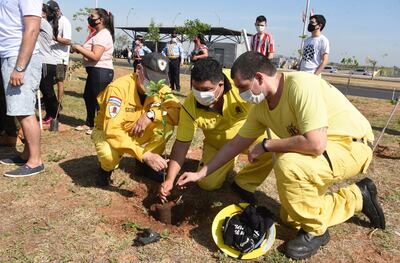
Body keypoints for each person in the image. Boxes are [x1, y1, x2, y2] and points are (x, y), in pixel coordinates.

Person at [177, 52, 385, 260]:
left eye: (242, 87)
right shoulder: (261, 107)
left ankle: (316, 231)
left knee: (287, 164)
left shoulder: (300, 85)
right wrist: (201, 173)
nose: (240, 94)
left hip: (350, 144)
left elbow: (316, 144)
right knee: (292, 217)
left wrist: (268, 145)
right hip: (324, 152)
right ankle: (358, 197)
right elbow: (235, 144)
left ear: (259, 78)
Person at [159, 58, 274, 204]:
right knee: (207, 184)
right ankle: (229, 159)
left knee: (271, 145)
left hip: (248, 137)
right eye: (196, 88)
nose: (200, 94)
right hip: (217, 145)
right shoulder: (190, 105)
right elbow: (182, 143)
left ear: (220, 84)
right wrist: (169, 179)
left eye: (205, 90)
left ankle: (245, 183)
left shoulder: (241, 86)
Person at [92, 53, 180, 186]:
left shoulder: (160, 87)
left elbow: (177, 112)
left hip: (138, 130)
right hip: (109, 133)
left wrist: (151, 115)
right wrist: (144, 154)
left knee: (166, 127)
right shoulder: (118, 89)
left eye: (158, 80)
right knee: (109, 155)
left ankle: (144, 167)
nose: (154, 85)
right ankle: (105, 171)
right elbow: (113, 131)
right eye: (150, 79)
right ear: (138, 69)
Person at [0, 0, 44, 177]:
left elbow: (32, 29)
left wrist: (19, 67)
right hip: (8, 55)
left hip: (19, 58)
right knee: (19, 109)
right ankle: (27, 154)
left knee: (24, 111)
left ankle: (35, 161)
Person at [71, 8, 115, 135]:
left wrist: (78, 47)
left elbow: (96, 56)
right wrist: (79, 49)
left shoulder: (103, 34)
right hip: (95, 71)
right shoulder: (96, 33)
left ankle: (99, 127)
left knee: (98, 100)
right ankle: (89, 123)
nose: (89, 18)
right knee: (88, 97)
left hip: (101, 71)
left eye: (92, 16)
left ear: (100, 20)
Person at [46, 1, 71, 105]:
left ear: (57, 10)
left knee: (59, 81)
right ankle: (49, 101)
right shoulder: (51, 21)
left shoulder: (65, 22)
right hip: (49, 56)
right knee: (47, 81)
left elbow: (68, 41)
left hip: (60, 58)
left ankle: (58, 104)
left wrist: (54, 38)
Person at [39, 3, 59, 125]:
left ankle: (55, 115)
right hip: (44, 61)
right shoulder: (43, 22)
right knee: (45, 90)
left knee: (47, 91)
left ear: (44, 13)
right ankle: (50, 114)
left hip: (46, 62)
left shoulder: (42, 22)